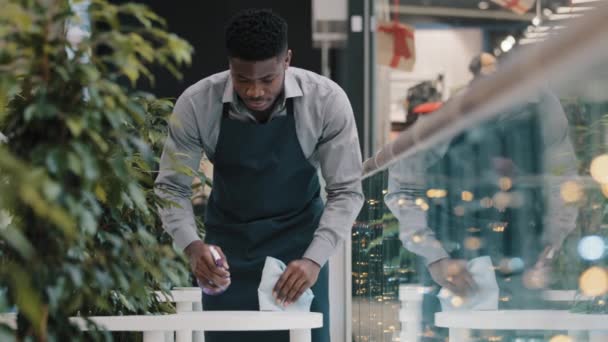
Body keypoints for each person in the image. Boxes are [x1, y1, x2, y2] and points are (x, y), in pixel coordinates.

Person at [154, 9, 364, 342]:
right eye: (242, 79)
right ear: (229, 66)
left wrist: (314, 260)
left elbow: (346, 191)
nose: (254, 92)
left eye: (267, 79)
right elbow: (171, 187)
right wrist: (193, 247)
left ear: (287, 60)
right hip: (228, 253)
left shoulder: (326, 101)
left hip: (300, 249)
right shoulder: (196, 104)